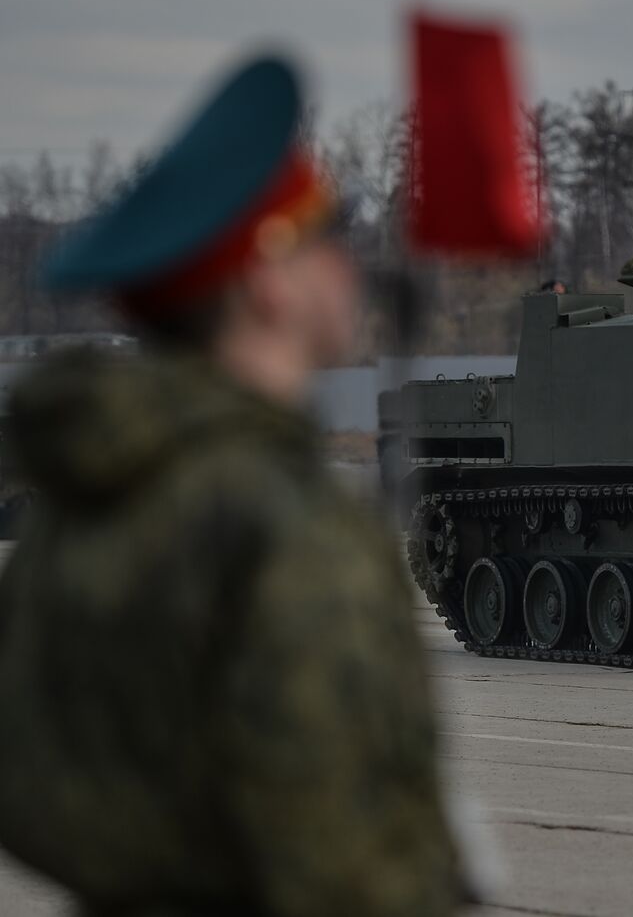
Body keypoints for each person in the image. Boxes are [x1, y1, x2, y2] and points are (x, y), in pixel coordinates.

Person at [0, 55, 468, 916]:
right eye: (329, 241)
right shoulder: (278, 521)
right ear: (267, 282)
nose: (349, 270)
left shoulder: (87, 494)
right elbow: (351, 871)